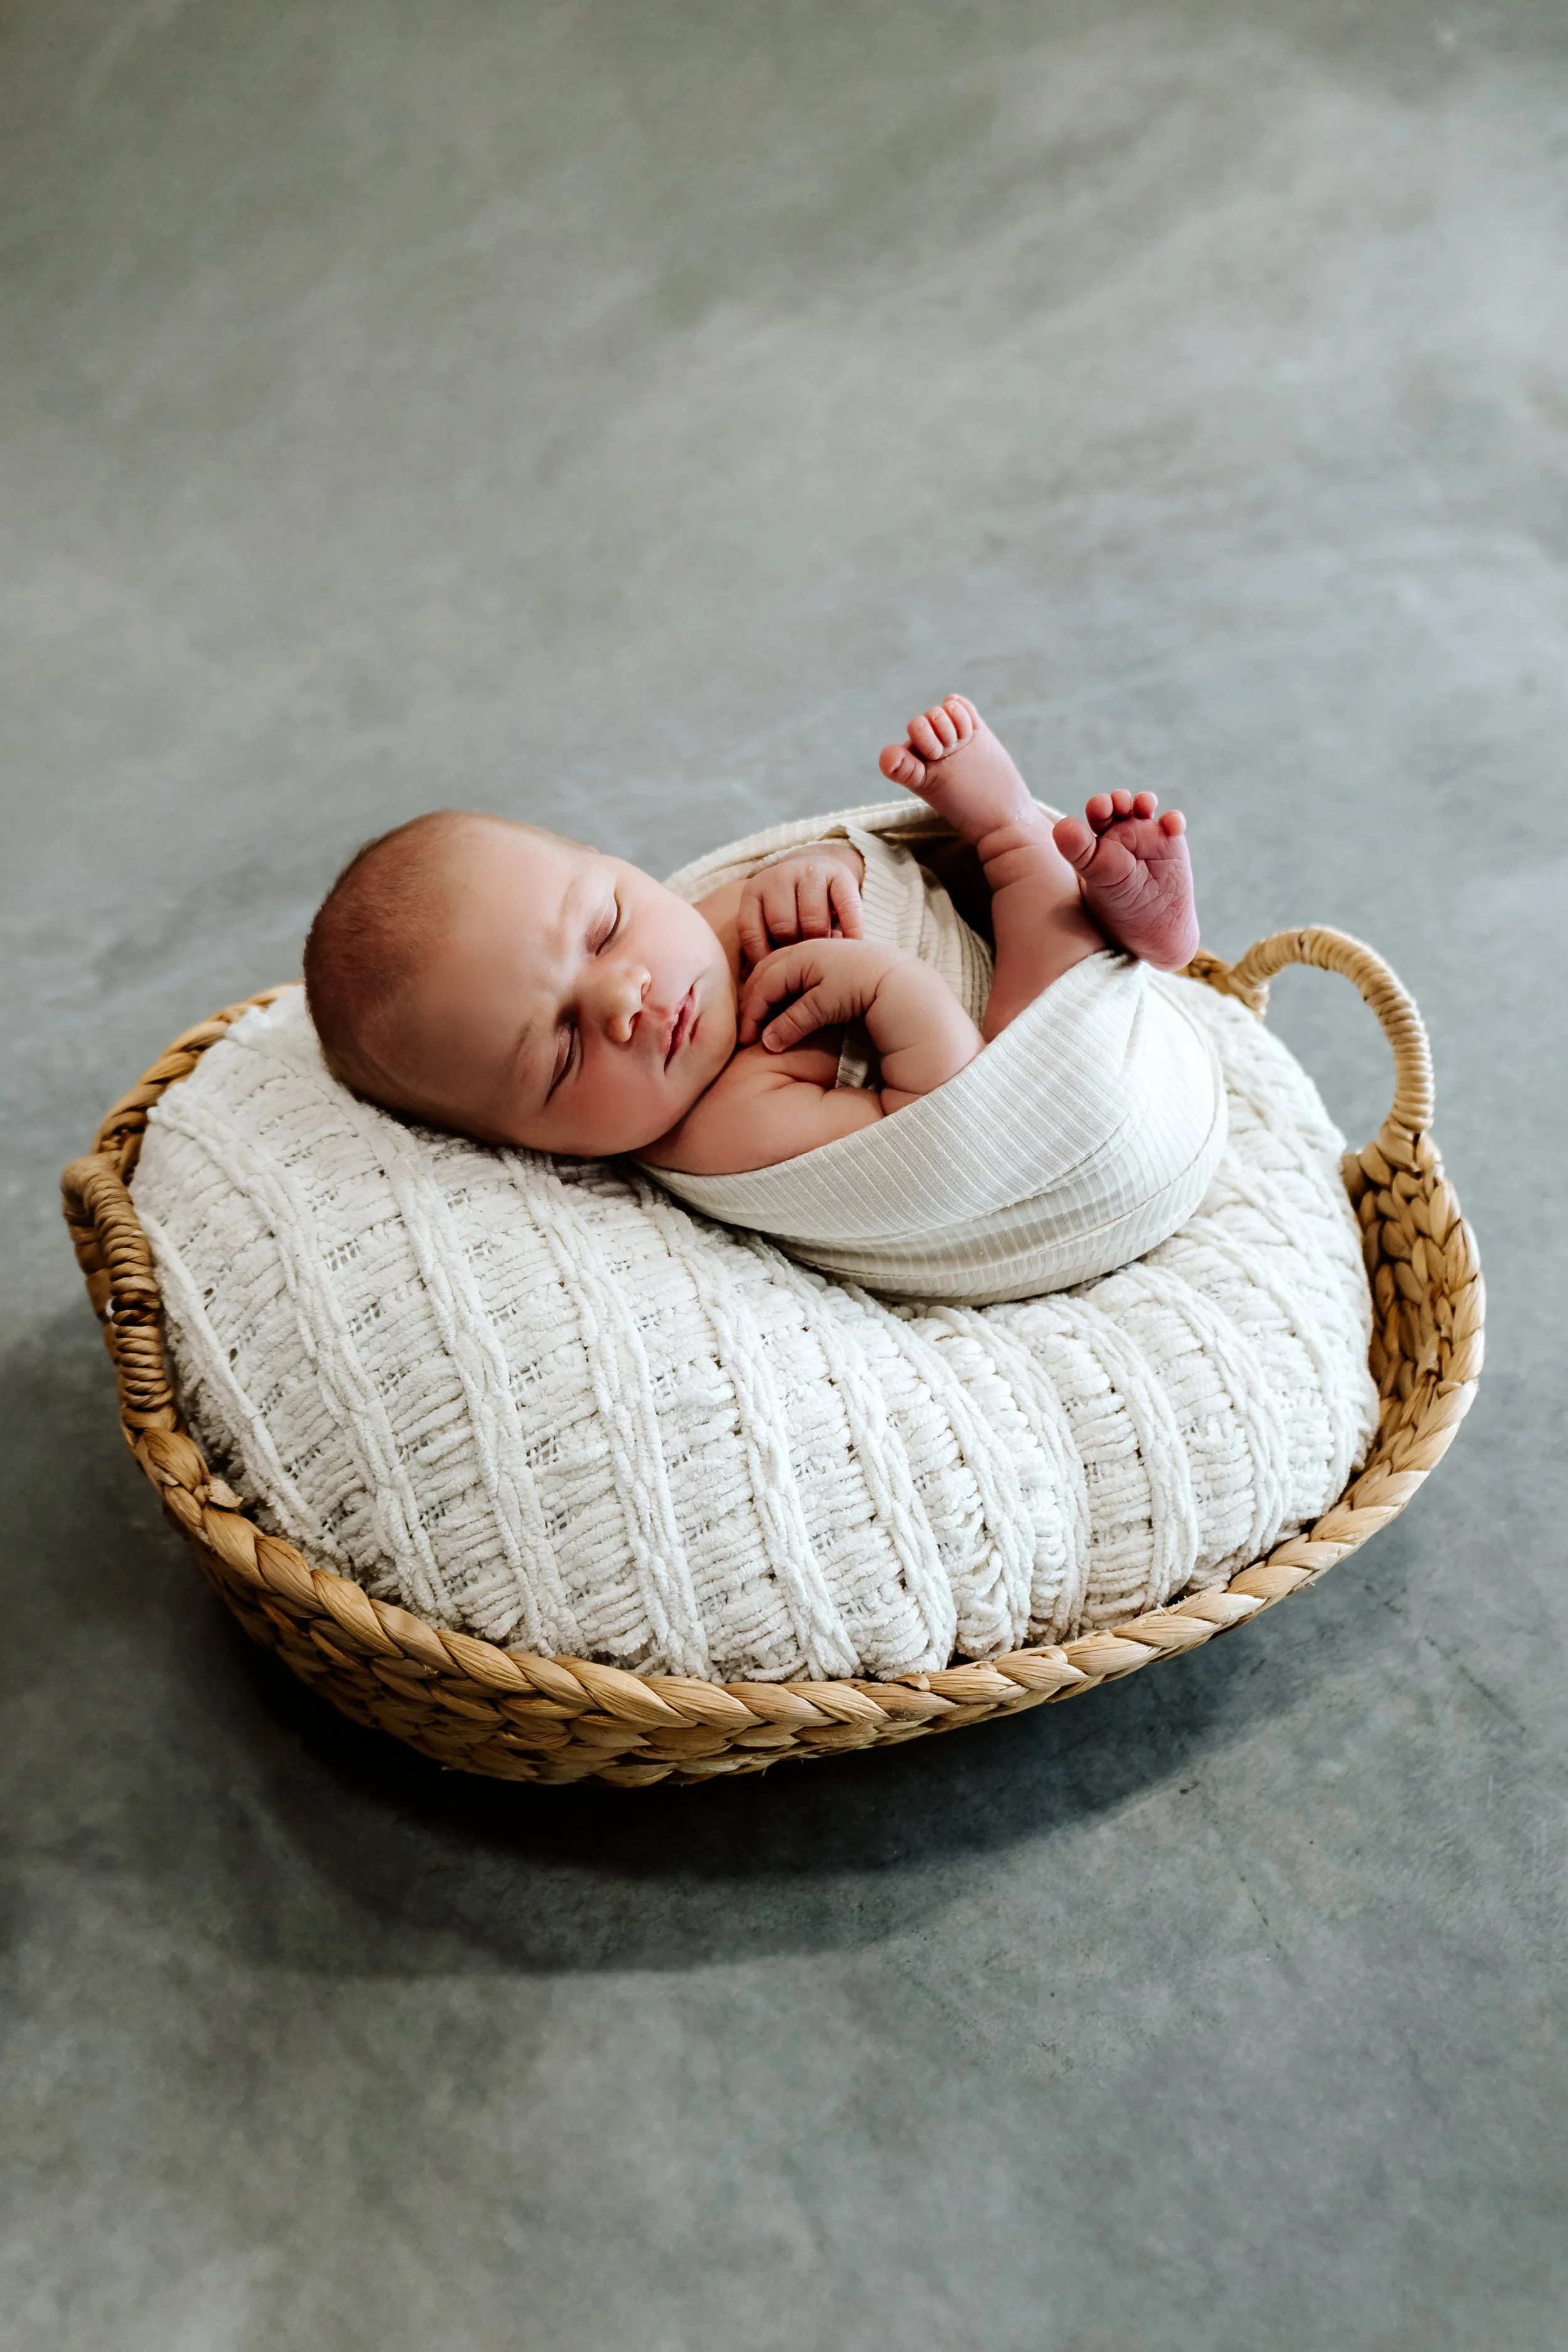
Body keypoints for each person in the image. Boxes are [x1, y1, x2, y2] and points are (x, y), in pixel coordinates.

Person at [302, 696, 1199, 1181]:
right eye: (564, 1052)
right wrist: (885, 991)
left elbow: (873, 874)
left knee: (960, 889)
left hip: (1054, 998)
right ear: (535, 1149)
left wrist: (820, 867)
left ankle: (1139, 936)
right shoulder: (721, 1127)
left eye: (607, 925)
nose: (625, 998)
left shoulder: (700, 920)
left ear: (621, 865)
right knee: (1044, 1047)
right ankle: (1016, 840)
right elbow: (953, 1130)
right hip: (1095, 1130)